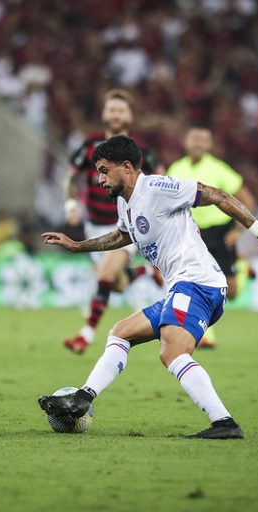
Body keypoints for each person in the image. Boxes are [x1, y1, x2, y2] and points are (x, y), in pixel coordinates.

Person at [39, 136, 258, 438]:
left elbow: (217, 195)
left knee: (171, 352)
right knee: (121, 333)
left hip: (198, 283)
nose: (100, 179)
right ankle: (84, 396)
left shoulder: (158, 188)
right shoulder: (125, 203)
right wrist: (79, 246)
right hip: (183, 288)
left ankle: (224, 423)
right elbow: (123, 236)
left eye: (104, 170)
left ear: (126, 167)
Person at [63, 88, 164, 355]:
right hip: (95, 226)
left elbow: (163, 179)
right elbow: (71, 178)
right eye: (111, 109)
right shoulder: (89, 146)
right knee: (115, 283)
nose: (116, 114)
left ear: (130, 116)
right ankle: (145, 273)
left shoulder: (140, 150)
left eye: (121, 109)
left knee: (106, 275)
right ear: (103, 113)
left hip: (127, 225)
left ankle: (85, 335)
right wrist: (71, 204)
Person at [167, 126, 256, 348]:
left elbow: (247, 199)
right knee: (197, 283)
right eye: (194, 139)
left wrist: (236, 231)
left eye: (202, 140)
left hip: (221, 231)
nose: (198, 143)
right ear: (185, 142)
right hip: (192, 233)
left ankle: (242, 267)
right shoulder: (175, 169)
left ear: (209, 145)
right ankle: (206, 335)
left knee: (233, 292)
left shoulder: (219, 169)